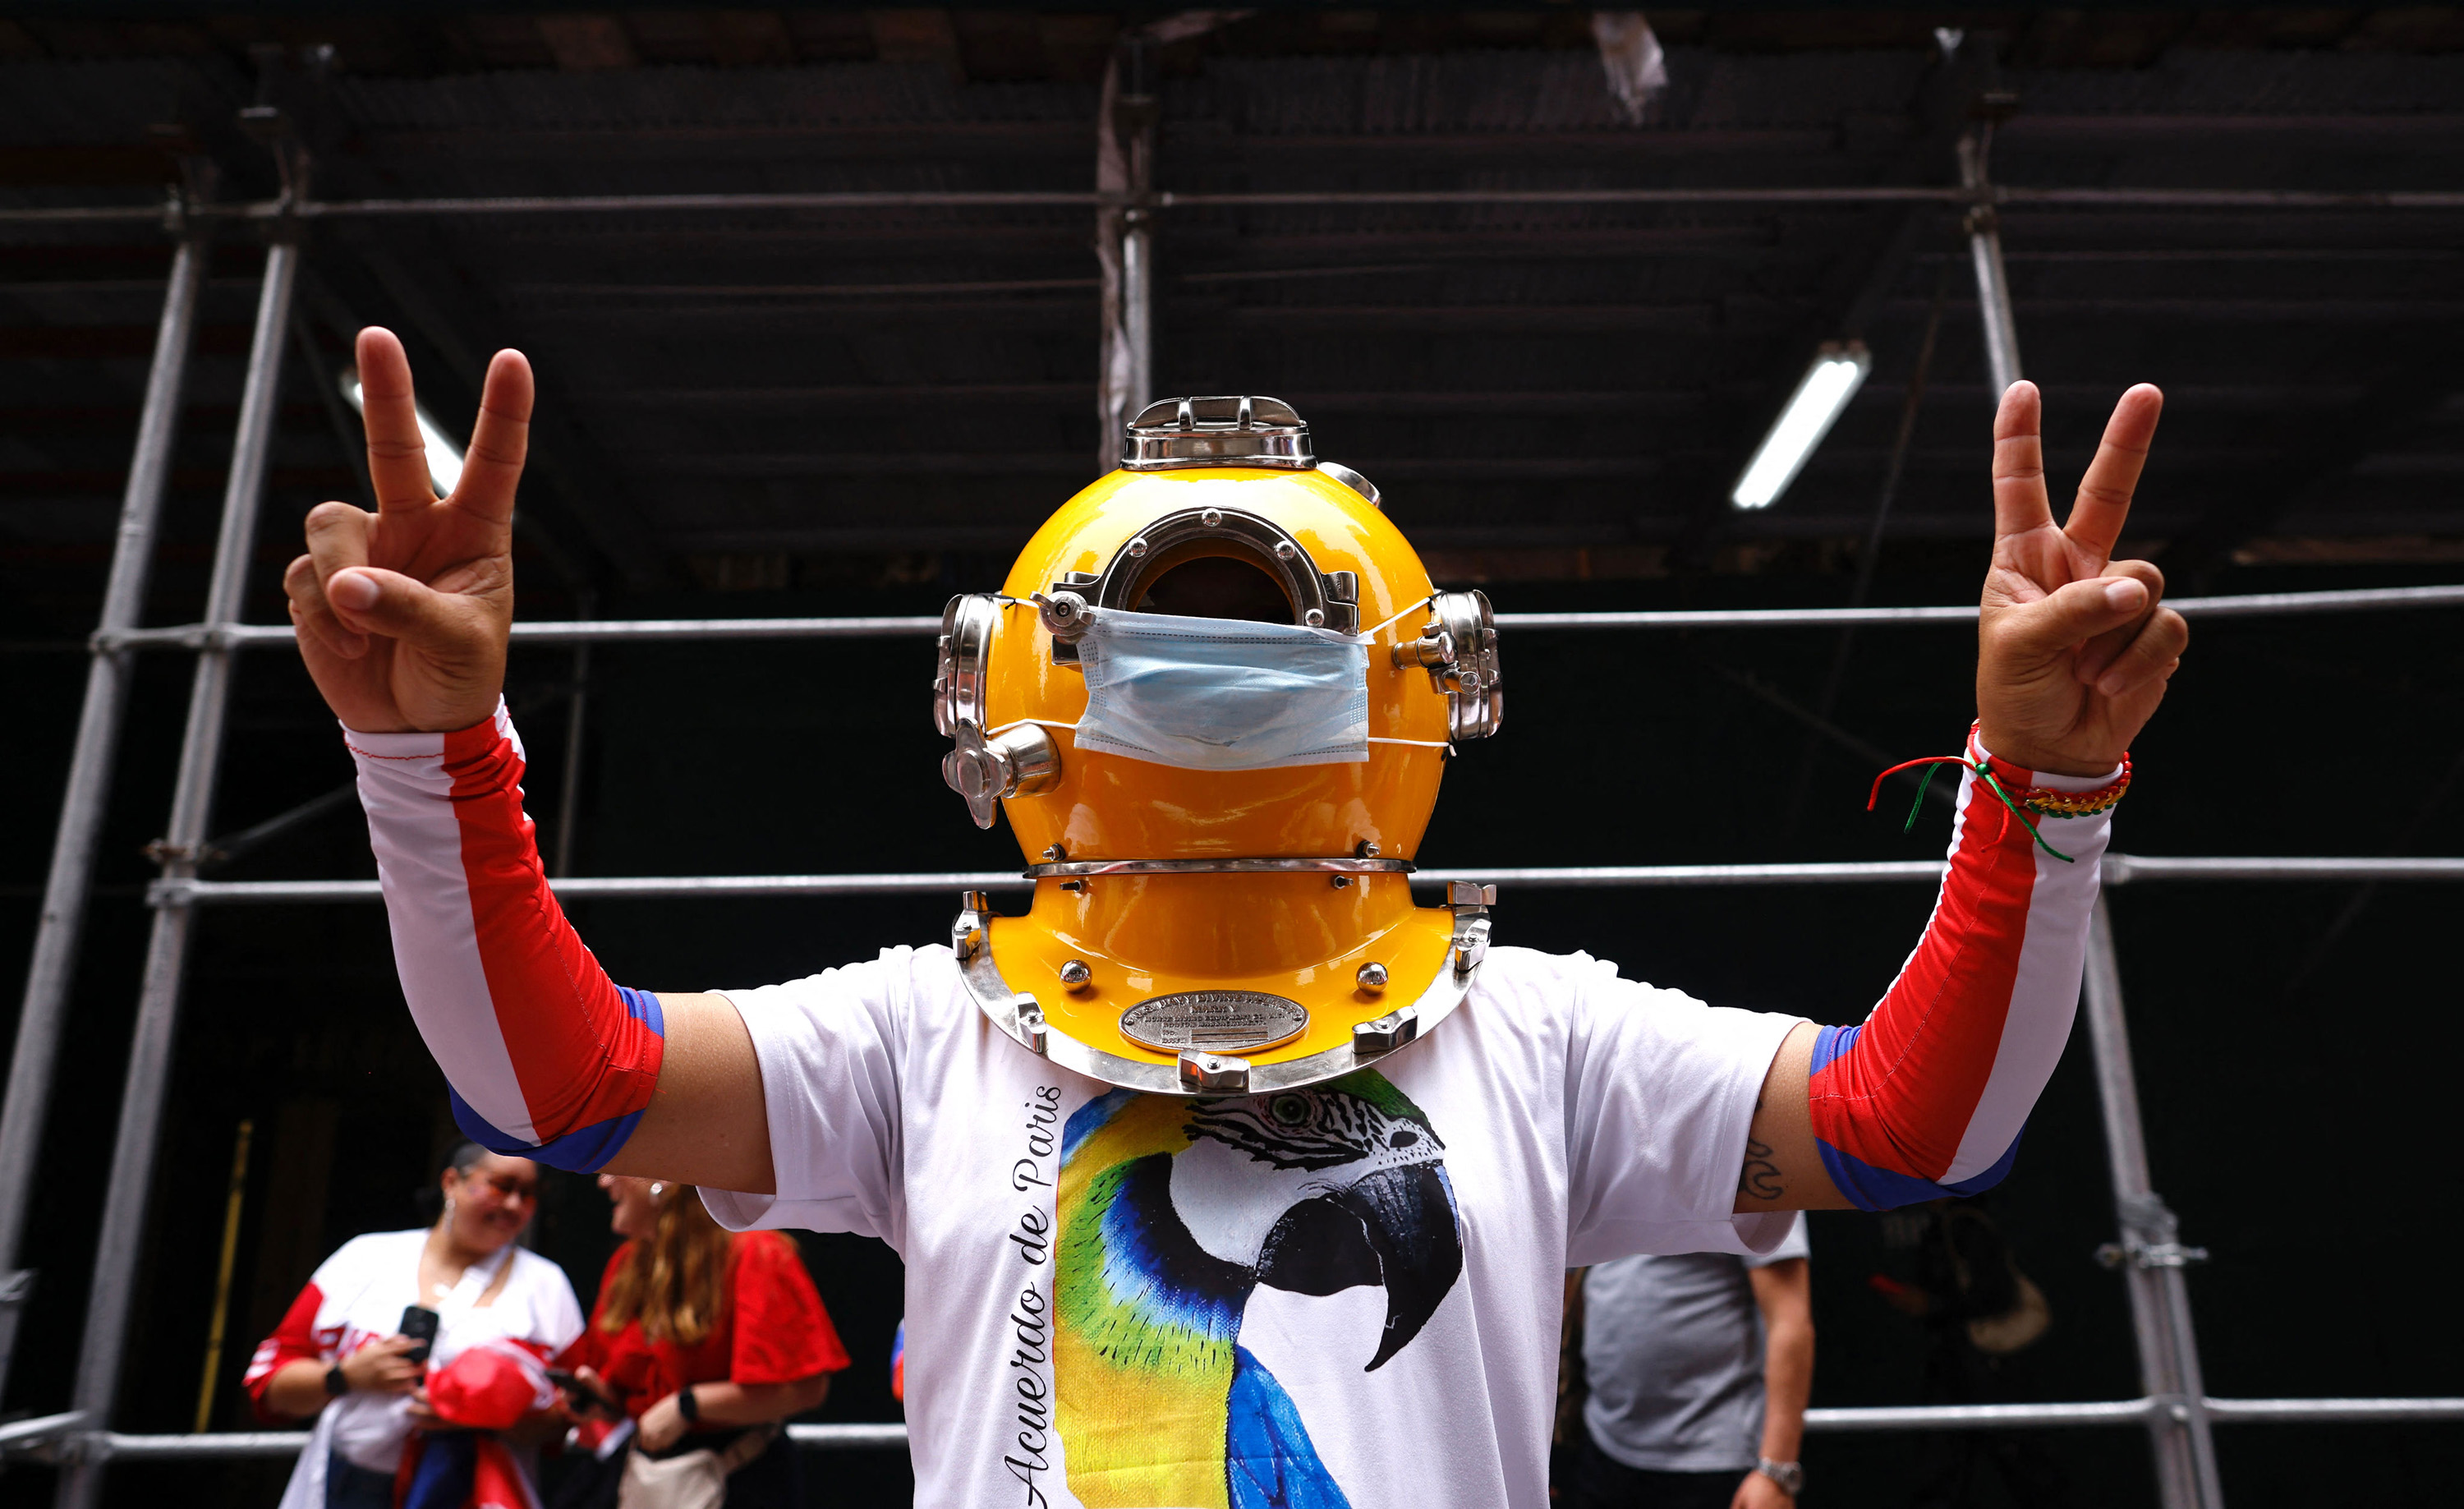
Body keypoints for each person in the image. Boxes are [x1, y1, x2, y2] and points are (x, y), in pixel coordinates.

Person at [286, 327, 2186, 1508]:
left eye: (1254, 647)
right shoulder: (914, 1035)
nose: (1210, 691)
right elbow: (570, 1078)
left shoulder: (1533, 1036)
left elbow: (1907, 1124)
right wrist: (437, 752)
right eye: (1166, 650)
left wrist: (2041, 796)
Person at [244, 1143, 584, 1509]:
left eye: (529, 1194)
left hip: (472, 1489)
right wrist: (344, 1375)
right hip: (349, 1485)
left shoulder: (547, 1285)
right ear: (451, 1182)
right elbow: (268, 1381)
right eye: (501, 1185)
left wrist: (487, 1414)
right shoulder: (364, 1258)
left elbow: (574, 1412)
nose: (516, 1205)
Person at [551, 1175, 847, 1509]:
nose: (604, 1181)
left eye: (619, 1167)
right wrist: (604, 1399)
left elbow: (807, 1388)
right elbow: (643, 1396)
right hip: (650, 1475)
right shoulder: (627, 1265)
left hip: (739, 1480)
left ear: (662, 1178)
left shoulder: (757, 1253)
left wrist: (689, 1405)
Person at [1561, 1213, 1814, 1509]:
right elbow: (1568, 1294)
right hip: (1606, 1442)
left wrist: (1776, 1472)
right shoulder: (1596, 1167)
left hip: (1710, 1459)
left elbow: (1789, 1323)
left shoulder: (1751, 1169)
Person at [1872, 1198, 2066, 1509]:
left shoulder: (1965, 1225)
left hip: (1983, 1370)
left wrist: (1932, 1305)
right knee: (1947, 1463)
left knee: (2018, 1458)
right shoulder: (1941, 1227)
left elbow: (1996, 1293)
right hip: (1956, 1367)